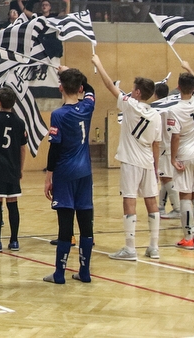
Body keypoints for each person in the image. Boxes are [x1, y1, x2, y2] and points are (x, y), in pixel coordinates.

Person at [90, 56, 161, 261]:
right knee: (151, 201)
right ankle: (154, 247)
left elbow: (111, 87)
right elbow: (156, 144)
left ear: (138, 92)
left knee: (129, 201)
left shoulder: (130, 105)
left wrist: (99, 64)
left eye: (133, 88)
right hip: (148, 162)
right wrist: (156, 167)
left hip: (131, 162)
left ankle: (130, 248)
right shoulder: (155, 115)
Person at [42, 66, 95, 284]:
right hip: (85, 172)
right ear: (80, 88)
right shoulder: (88, 105)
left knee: (65, 223)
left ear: (60, 88)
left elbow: (54, 148)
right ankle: (84, 272)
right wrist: (75, 72)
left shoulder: (58, 114)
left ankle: (59, 274)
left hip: (65, 172)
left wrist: (49, 176)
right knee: (85, 222)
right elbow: (91, 89)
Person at [168, 60, 194, 250]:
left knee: (185, 196)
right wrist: (189, 68)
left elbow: (175, 137)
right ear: (193, 87)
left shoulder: (174, 110)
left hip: (185, 155)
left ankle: (188, 237)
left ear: (178, 88)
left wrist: (172, 158)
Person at [0, 87, 27, 252]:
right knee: (12, 204)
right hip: (12, 168)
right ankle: (14, 241)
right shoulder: (19, 122)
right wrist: (20, 169)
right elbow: (23, 149)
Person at [153, 83, 181, 220]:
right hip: (168, 146)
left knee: (167, 178)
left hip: (166, 146)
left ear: (155, 94)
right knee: (164, 178)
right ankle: (161, 207)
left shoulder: (160, 109)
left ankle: (177, 208)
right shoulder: (170, 107)